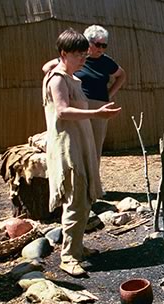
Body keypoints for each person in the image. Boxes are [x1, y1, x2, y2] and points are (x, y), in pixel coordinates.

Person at [43, 28, 121, 276]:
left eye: (84, 55)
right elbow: (62, 112)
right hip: (69, 146)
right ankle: (68, 257)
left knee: (85, 197)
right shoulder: (57, 80)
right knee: (75, 201)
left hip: (81, 142)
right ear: (64, 54)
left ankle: (77, 247)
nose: (83, 60)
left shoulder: (73, 78)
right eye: (78, 55)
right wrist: (96, 113)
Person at [42, 25, 127, 172]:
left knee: (95, 143)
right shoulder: (71, 61)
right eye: (97, 44)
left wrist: (109, 94)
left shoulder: (106, 62)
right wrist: (62, 88)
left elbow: (122, 75)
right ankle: (80, 177)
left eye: (104, 45)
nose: (101, 48)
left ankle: (93, 178)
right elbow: (47, 68)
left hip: (99, 104)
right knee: (78, 142)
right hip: (77, 105)